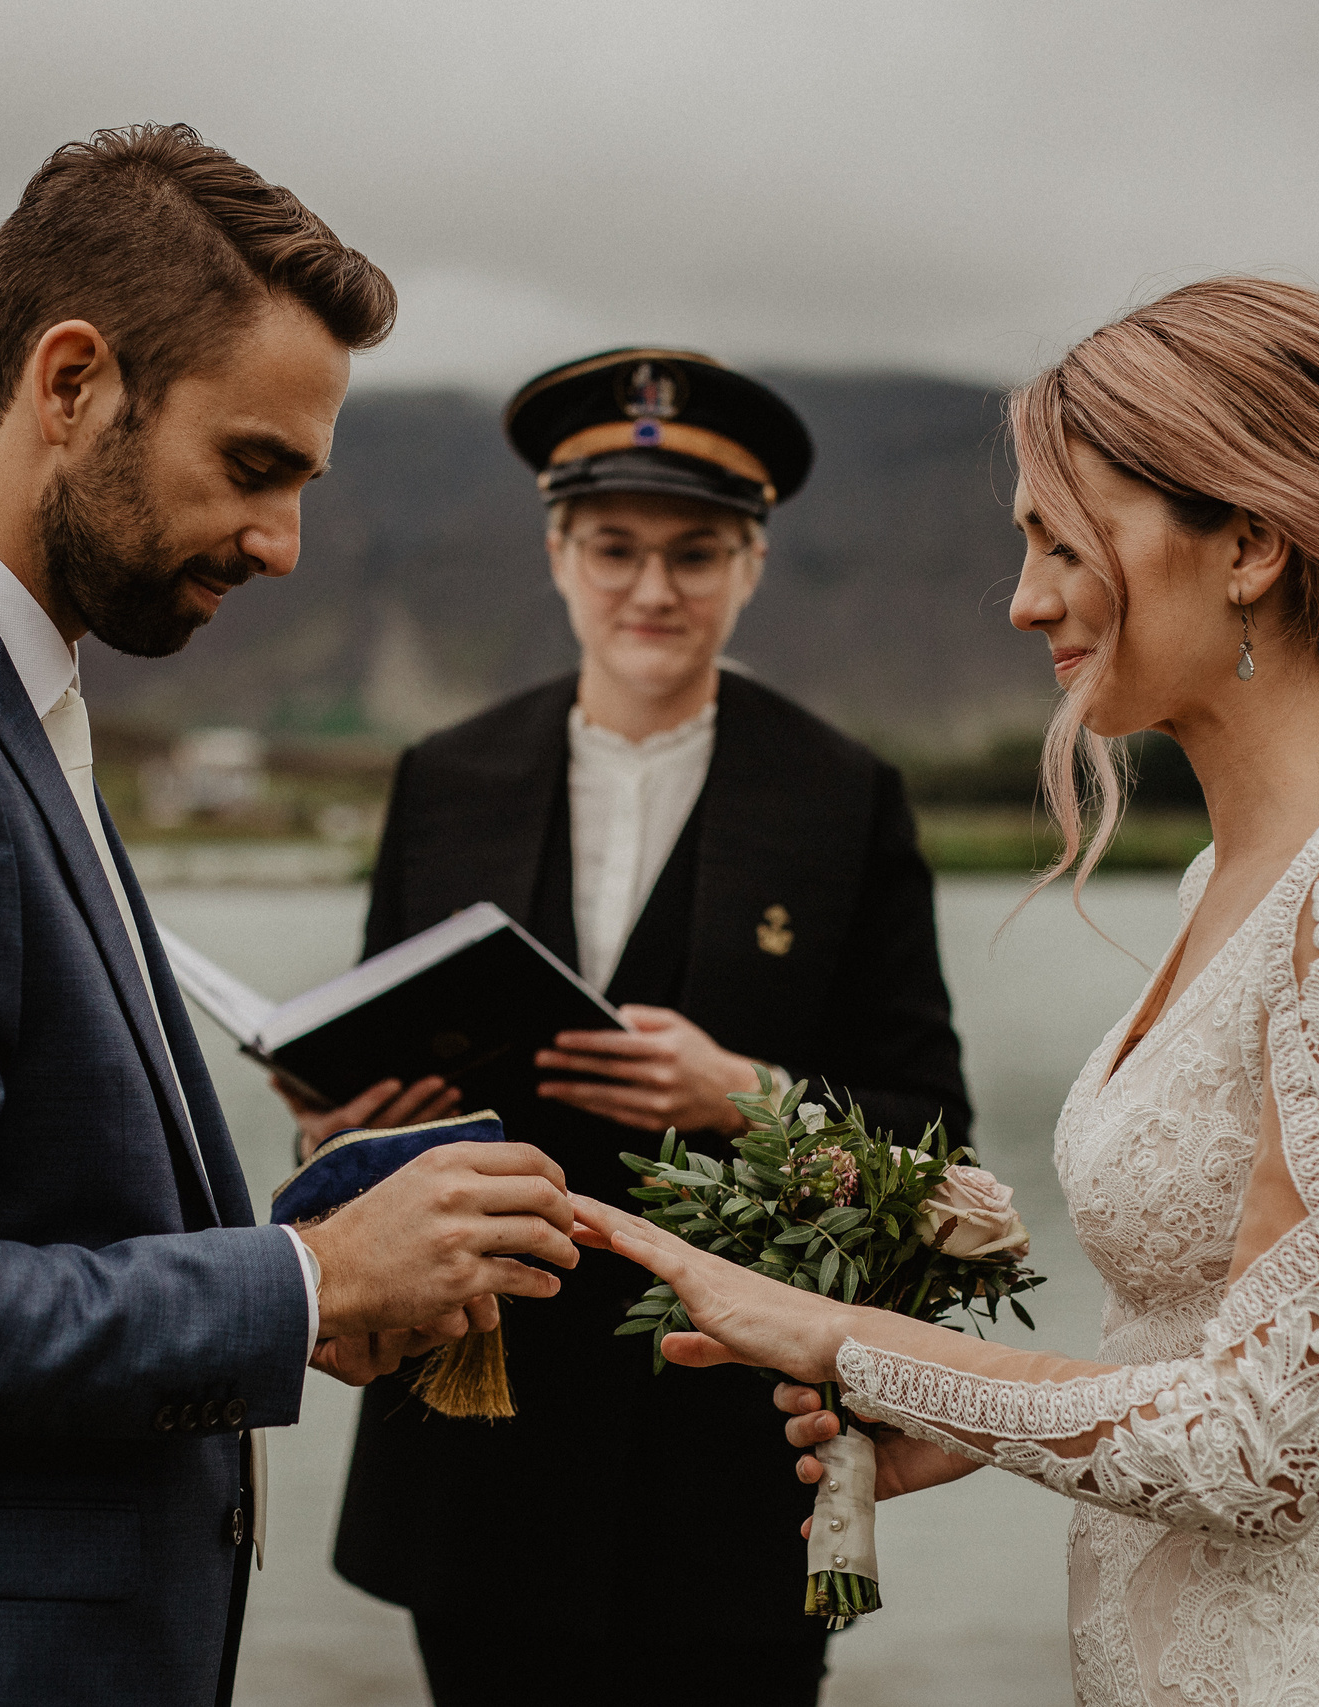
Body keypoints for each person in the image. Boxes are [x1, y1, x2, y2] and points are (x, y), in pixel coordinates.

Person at [0, 124, 580, 1707]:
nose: (285, 545)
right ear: (71, 381)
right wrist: (307, 1287)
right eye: (252, 466)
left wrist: (296, 1259)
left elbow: (10, 1228)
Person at [573, 278, 1319, 1707]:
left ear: (1252, 545)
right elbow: (1211, 1339)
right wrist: (953, 1419)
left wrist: (845, 1336)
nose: (1026, 599)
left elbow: (1268, 1446)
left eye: (1061, 541)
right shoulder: (1242, 873)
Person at [282, 348, 971, 1706]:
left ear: (753, 563)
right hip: (477, 1449)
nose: (652, 588)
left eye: (696, 551)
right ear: (556, 551)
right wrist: (339, 1127)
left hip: (734, 1466)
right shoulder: (445, 777)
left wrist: (747, 1094)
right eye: (613, 548)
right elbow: (362, 1056)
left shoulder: (845, 800)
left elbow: (937, 1135)